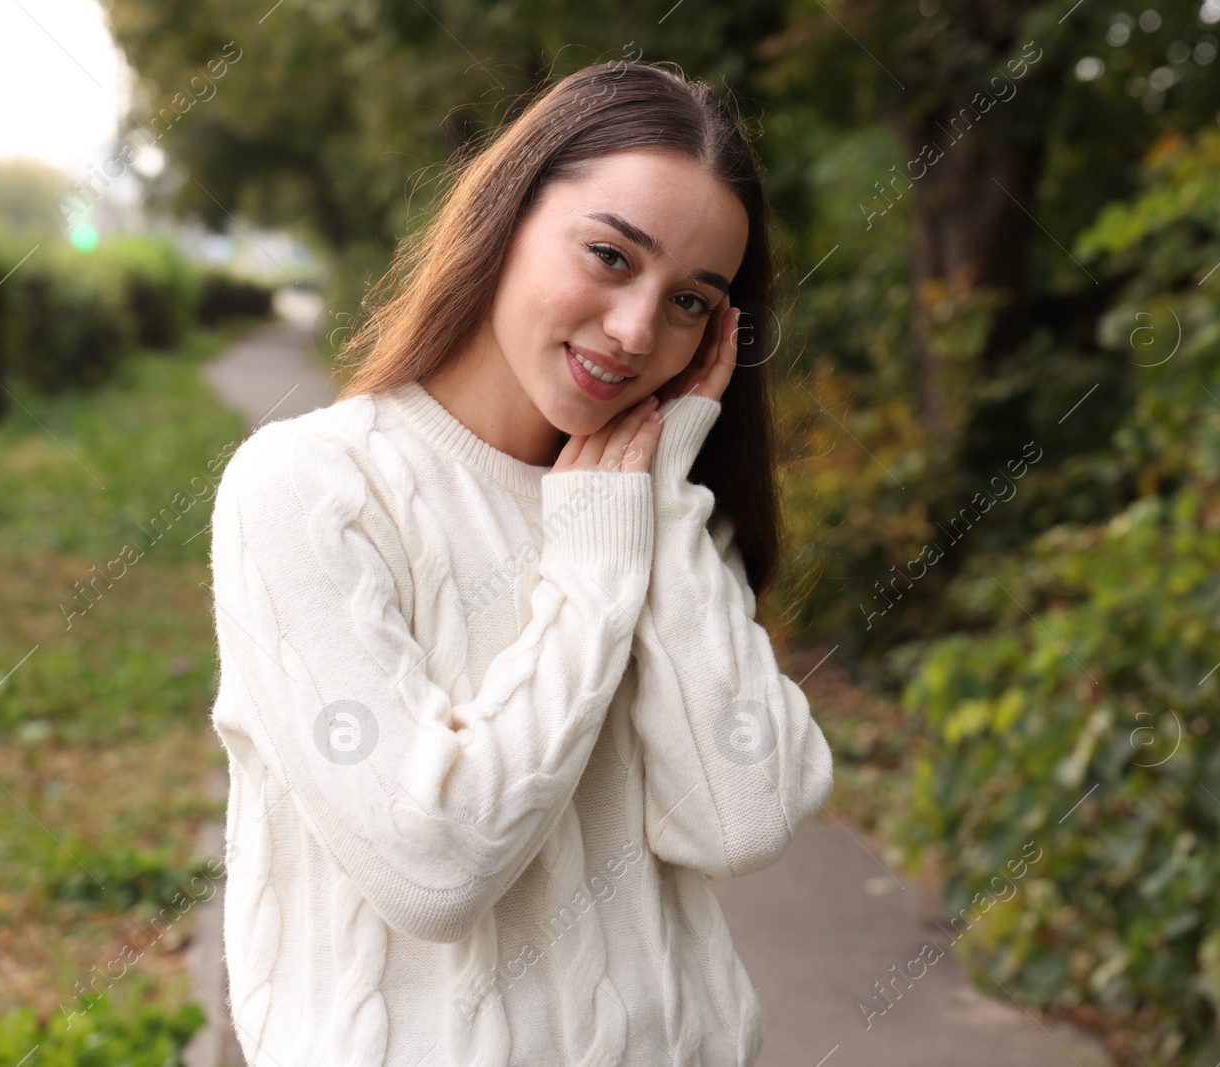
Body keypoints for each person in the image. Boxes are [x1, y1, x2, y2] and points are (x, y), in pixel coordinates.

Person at [208, 57, 834, 1066]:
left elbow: (738, 819)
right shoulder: (307, 487)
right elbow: (434, 864)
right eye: (609, 256)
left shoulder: (658, 511)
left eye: (690, 302)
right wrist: (591, 569)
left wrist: (660, 496)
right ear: (502, 218)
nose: (635, 330)